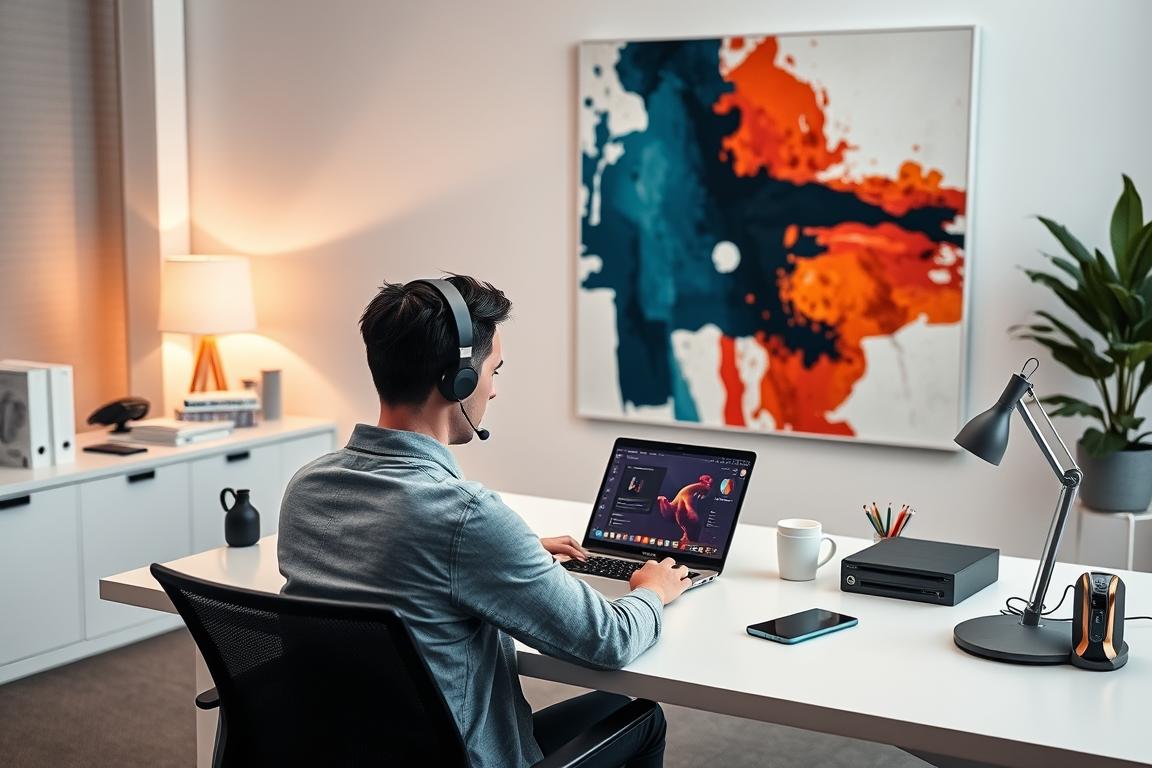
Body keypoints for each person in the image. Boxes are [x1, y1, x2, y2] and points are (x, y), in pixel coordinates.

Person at [277, 275, 692, 768]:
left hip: (345, 752)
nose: (494, 390)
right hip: (462, 757)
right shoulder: (465, 517)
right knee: (642, 717)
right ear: (460, 382)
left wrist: (507, 554)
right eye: (494, 370)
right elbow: (609, 639)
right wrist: (654, 590)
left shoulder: (308, 486)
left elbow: (387, 561)